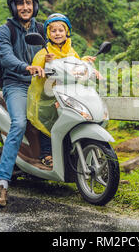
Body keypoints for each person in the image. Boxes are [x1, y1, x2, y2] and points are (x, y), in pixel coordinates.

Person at [0, 0, 46, 207]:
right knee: (19, 123)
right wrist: (26, 67)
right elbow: (5, 57)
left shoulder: (42, 29)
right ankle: (2, 184)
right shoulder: (6, 30)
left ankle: (48, 159)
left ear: (35, 6)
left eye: (29, 3)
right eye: (21, 3)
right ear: (14, 7)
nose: (25, 7)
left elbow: (59, 48)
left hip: (41, 84)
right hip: (16, 85)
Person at [27, 13, 96, 167]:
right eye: (53, 31)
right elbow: (38, 69)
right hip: (49, 95)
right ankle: (46, 153)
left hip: (69, 93)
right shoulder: (44, 52)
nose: (57, 34)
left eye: (61, 30)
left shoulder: (71, 51)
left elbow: (76, 63)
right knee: (49, 119)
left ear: (67, 32)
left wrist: (87, 64)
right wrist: (46, 63)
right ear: (47, 34)